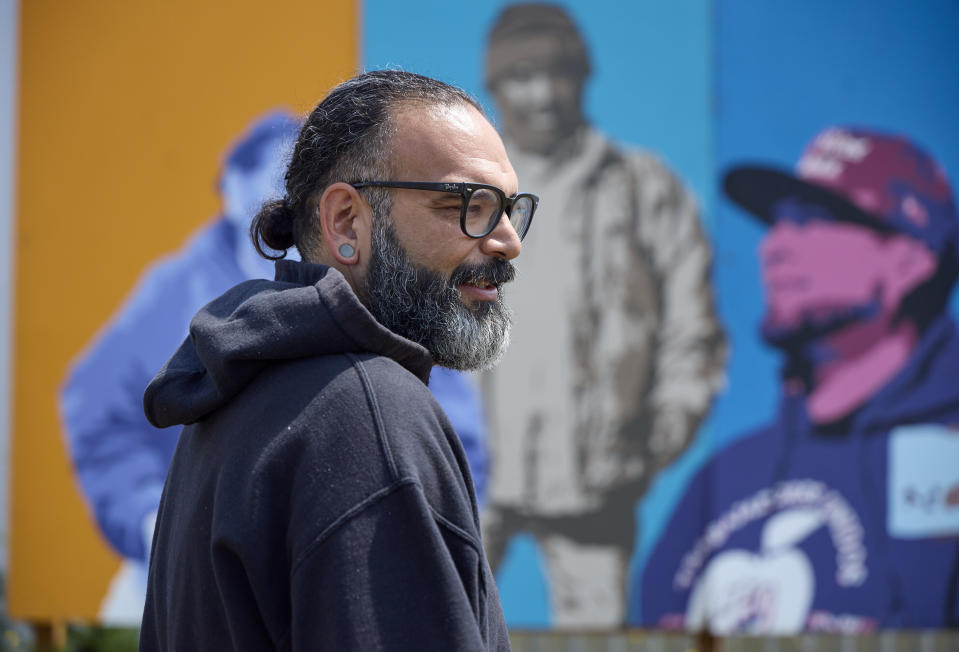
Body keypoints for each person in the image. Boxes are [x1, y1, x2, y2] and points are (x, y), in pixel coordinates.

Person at [139, 70, 536, 650]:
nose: (508, 239)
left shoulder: (234, 400)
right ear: (347, 221)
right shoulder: (367, 416)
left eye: (508, 208)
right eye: (469, 204)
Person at [60, 111, 491, 624]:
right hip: (186, 557)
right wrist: (141, 515)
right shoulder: (172, 290)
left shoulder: (398, 320)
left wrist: (439, 508)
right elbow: (95, 406)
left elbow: (461, 433)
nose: (504, 238)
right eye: (460, 205)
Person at [641, 126, 959, 633]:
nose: (774, 247)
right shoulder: (729, 475)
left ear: (910, 260)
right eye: (776, 224)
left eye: (812, 221)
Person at [480, 3, 726, 626]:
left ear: (584, 79)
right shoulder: (462, 194)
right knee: (435, 631)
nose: (542, 94)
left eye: (558, 73)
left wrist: (657, 438)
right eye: (522, 75)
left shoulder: (646, 187)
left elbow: (690, 330)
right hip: (469, 478)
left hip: (598, 483)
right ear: (496, 85)